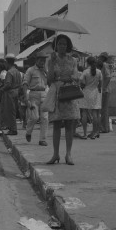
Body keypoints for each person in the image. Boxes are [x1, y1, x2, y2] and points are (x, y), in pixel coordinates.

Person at [46, 34, 80, 165]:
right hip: (57, 94)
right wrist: (53, 63)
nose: (62, 46)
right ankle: (55, 154)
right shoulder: (51, 59)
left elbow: (76, 76)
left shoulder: (73, 60)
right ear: (56, 45)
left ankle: (68, 154)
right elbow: (49, 80)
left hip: (70, 94)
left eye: (64, 44)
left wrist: (66, 78)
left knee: (70, 125)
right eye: (59, 44)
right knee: (56, 124)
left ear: (68, 46)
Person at [23, 52, 49, 146]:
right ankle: (28, 132)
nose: (43, 62)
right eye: (41, 60)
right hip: (33, 94)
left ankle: (42, 139)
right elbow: (25, 83)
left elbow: (50, 82)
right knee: (35, 117)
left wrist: (46, 72)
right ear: (36, 60)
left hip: (44, 94)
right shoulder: (31, 70)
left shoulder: (46, 71)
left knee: (45, 118)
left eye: (44, 60)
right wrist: (26, 98)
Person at [79, 56, 102, 139]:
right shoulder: (99, 71)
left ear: (87, 63)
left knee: (84, 113)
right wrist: (98, 88)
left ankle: (85, 134)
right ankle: (95, 133)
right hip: (95, 92)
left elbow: (80, 80)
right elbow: (101, 82)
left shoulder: (85, 71)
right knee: (95, 113)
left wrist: (84, 84)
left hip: (86, 92)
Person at [1, 53, 21, 135]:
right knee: (14, 111)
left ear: (7, 62)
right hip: (17, 92)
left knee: (10, 112)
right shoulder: (17, 71)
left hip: (10, 93)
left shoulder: (9, 72)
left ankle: (13, 129)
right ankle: (12, 128)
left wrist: (2, 88)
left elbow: (8, 84)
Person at [99, 52, 113, 133]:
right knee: (104, 110)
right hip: (105, 90)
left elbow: (108, 77)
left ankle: (104, 128)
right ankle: (105, 128)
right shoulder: (103, 65)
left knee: (104, 110)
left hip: (105, 90)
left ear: (102, 58)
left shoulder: (104, 65)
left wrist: (103, 88)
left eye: (99, 57)